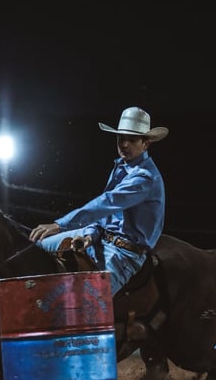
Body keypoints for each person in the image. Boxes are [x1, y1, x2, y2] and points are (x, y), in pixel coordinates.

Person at [29, 106, 168, 295]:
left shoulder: (145, 177)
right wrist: (89, 235)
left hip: (123, 254)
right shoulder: (122, 167)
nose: (124, 144)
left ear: (146, 144)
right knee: (36, 250)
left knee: (91, 303)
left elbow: (106, 203)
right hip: (99, 239)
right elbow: (105, 214)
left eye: (132, 140)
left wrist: (60, 225)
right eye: (121, 138)